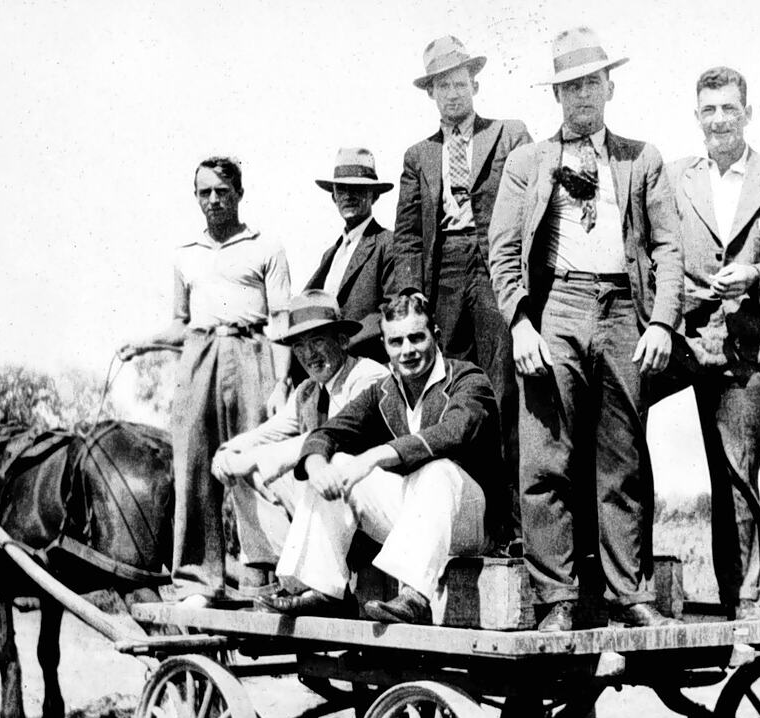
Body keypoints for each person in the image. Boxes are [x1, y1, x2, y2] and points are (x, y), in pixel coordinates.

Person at [487, 27, 683, 631]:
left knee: (621, 459)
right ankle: (558, 601)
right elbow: (500, 251)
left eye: (591, 84)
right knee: (546, 461)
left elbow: (669, 247)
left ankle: (632, 595)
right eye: (570, 87)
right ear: (557, 96)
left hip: (625, 309)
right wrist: (521, 322)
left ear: (610, 87)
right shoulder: (527, 163)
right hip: (557, 308)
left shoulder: (640, 158)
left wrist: (662, 322)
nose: (582, 97)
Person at [659, 66, 760, 620]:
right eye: (709, 110)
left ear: (747, 114)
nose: (720, 120)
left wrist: (756, 275)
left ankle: (742, 597)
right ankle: (615, 583)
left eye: (730, 109)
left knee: (735, 470)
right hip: (682, 337)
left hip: (749, 345)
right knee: (613, 420)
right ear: (696, 116)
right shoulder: (673, 177)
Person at [257, 294, 503, 625]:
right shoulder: (384, 391)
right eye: (396, 341)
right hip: (415, 518)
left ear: (436, 335)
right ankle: (319, 588)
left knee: (438, 470)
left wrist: (375, 456)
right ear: (385, 346)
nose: (408, 350)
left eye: (417, 337)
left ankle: (415, 596)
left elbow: (455, 431)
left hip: (469, 521)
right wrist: (316, 465)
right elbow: (328, 433)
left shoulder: (467, 379)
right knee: (338, 464)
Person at [120, 155, 291, 587]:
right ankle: (199, 578)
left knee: (253, 461)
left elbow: (282, 321)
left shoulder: (266, 246)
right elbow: (180, 323)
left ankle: (264, 572)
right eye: (204, 193)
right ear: (195, 197)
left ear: (239, 194)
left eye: (221, 191)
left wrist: (282, 381)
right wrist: (142, 343)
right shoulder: (185, 255)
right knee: (194, 463)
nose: (213, 200)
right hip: (199, 357)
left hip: (251, 353)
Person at [393, 34, 531, 548]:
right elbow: (407, 235)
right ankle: (459, 523)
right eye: (440, 87)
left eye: (457, 83)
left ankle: (514, 528)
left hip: (497, 266)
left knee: (504, 391)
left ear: (474, 83)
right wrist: (410, 297)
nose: (451, 94)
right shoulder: (419, 155)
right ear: (430, 94)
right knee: (451, 395)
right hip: (442, 273)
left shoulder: (510, 134)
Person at [210, 290, 390, 572]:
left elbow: (333, 438)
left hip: (374, 514)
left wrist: (256, 457)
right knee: (245, 471)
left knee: (312, 464)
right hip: (331, 513)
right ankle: (288, 575)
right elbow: (268, 432)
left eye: (317, 341)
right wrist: (229, 451)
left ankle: (318, 579)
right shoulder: (307, 391)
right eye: (299, 346)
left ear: (342, 340)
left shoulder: (368, 376)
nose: (309, 355)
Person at [304, 148, 396, 364]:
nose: (348, 195)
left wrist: (344, 343)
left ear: (374, 195)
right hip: (327, 366)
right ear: (333, 197)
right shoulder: (331, 254)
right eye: (341, 189)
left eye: (357, 188)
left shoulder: (387, 243)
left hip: (369, 362)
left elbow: (392, 309)